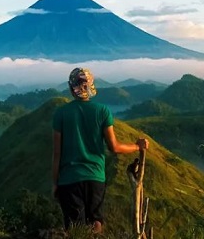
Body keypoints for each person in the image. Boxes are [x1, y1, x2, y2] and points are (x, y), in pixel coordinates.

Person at [52, 67, 149, 234]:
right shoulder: (102, 111)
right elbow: (114, 147)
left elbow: (57, 153)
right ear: (91, 87)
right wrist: (137, 146)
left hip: (69, 179)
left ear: (71, 88)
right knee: (96, 222)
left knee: (75, 229)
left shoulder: (61, 113)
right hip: (95, 177)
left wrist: (54, 182)